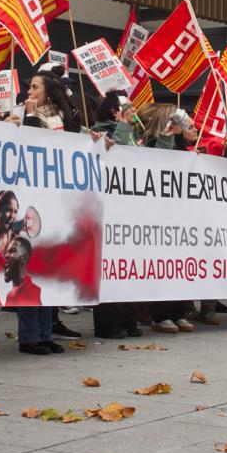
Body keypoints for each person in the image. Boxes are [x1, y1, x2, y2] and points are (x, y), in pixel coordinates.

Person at [17, 71, 80, 350]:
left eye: (35, 87)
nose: (29, 91)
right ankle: (29, 336)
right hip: (32, 202)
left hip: (56, 202)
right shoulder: (20, 115)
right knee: (31, 267)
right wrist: (28, 116)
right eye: (29, 86)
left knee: (49, 266)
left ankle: (45, 332)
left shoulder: (62, 118)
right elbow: (29, 146)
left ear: (49, 92)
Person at [136, 102, 199, 333]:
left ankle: (178, 311)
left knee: (180, 266)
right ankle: (160, 314)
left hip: (180, 216)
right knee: (165, 266)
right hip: (159, 217)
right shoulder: (153, 143)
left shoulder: (185, 149)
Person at [90, 92, 143, 338]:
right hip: (109, 210)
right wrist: (122, 126)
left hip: (131, 209)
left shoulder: (132, 132)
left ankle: (128, 319)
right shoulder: (97, 131)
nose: (134, 111)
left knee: (129, 267)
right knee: (110, 268)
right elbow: (117, 156)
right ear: (115, 110)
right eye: (129, 107)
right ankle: (108, 324)